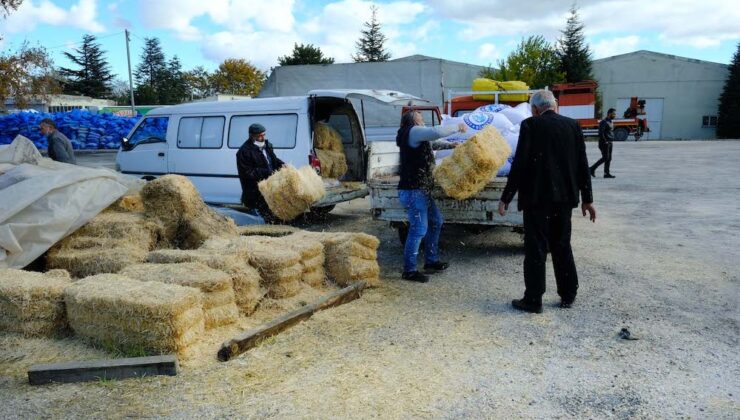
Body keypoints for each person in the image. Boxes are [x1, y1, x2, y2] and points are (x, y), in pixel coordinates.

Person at [498, 90, 596, 313]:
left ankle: (533, 300)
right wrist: (587, 200)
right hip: (564, 200)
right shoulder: (573, 126)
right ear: (556, 105)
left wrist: (506, 197)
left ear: (534, 109)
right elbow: (583, 164)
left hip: (536, 199)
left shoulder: (531, 125)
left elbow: (520, 164)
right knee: (562, 246)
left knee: (536, 249)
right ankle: (568, 295)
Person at [397, 110, 466, 283]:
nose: (423, 120)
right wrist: (457, 127)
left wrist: (451, 145)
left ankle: (431, 261)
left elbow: (432, 143)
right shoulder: (412, 130)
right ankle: (409, 270)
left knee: (436, 222)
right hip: (414, 190)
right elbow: (435, 132)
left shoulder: (414, 135)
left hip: (421, 190)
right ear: (414, 120)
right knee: (418, 229)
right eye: (421, 117)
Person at [235, 123, 284, 223]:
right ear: (252, 136)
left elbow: (273, 160)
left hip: (270, 189)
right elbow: (247, 173)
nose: (263, 137)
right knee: (263, 221)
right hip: (255, 193)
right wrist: (266, 172)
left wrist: (283, 165)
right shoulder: (244, 152)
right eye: (260, 135)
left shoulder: (267, 145)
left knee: (275, 218)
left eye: (264, 135)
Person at [590, 108, 616, 178]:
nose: (615, 115)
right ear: (609, 113)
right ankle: (591, 169)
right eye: (613, 114)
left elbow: (610, 132)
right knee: (605, 157)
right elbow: (600, 133)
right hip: (604, 143)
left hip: (610, 142)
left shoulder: (611, 121)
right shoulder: (603, 122)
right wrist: (605, 141)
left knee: (609, 158)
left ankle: (606, 173)